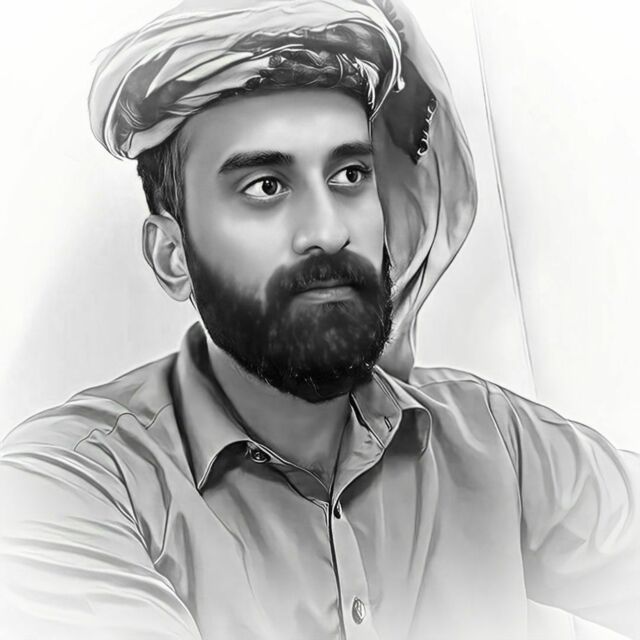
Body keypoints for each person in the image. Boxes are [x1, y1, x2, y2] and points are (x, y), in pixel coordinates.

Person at [0, 0, 638, 638]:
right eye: (266, 186)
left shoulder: (491, 440)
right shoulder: (68, 488)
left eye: (351, 174)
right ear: (172, 256)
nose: (330, 232)